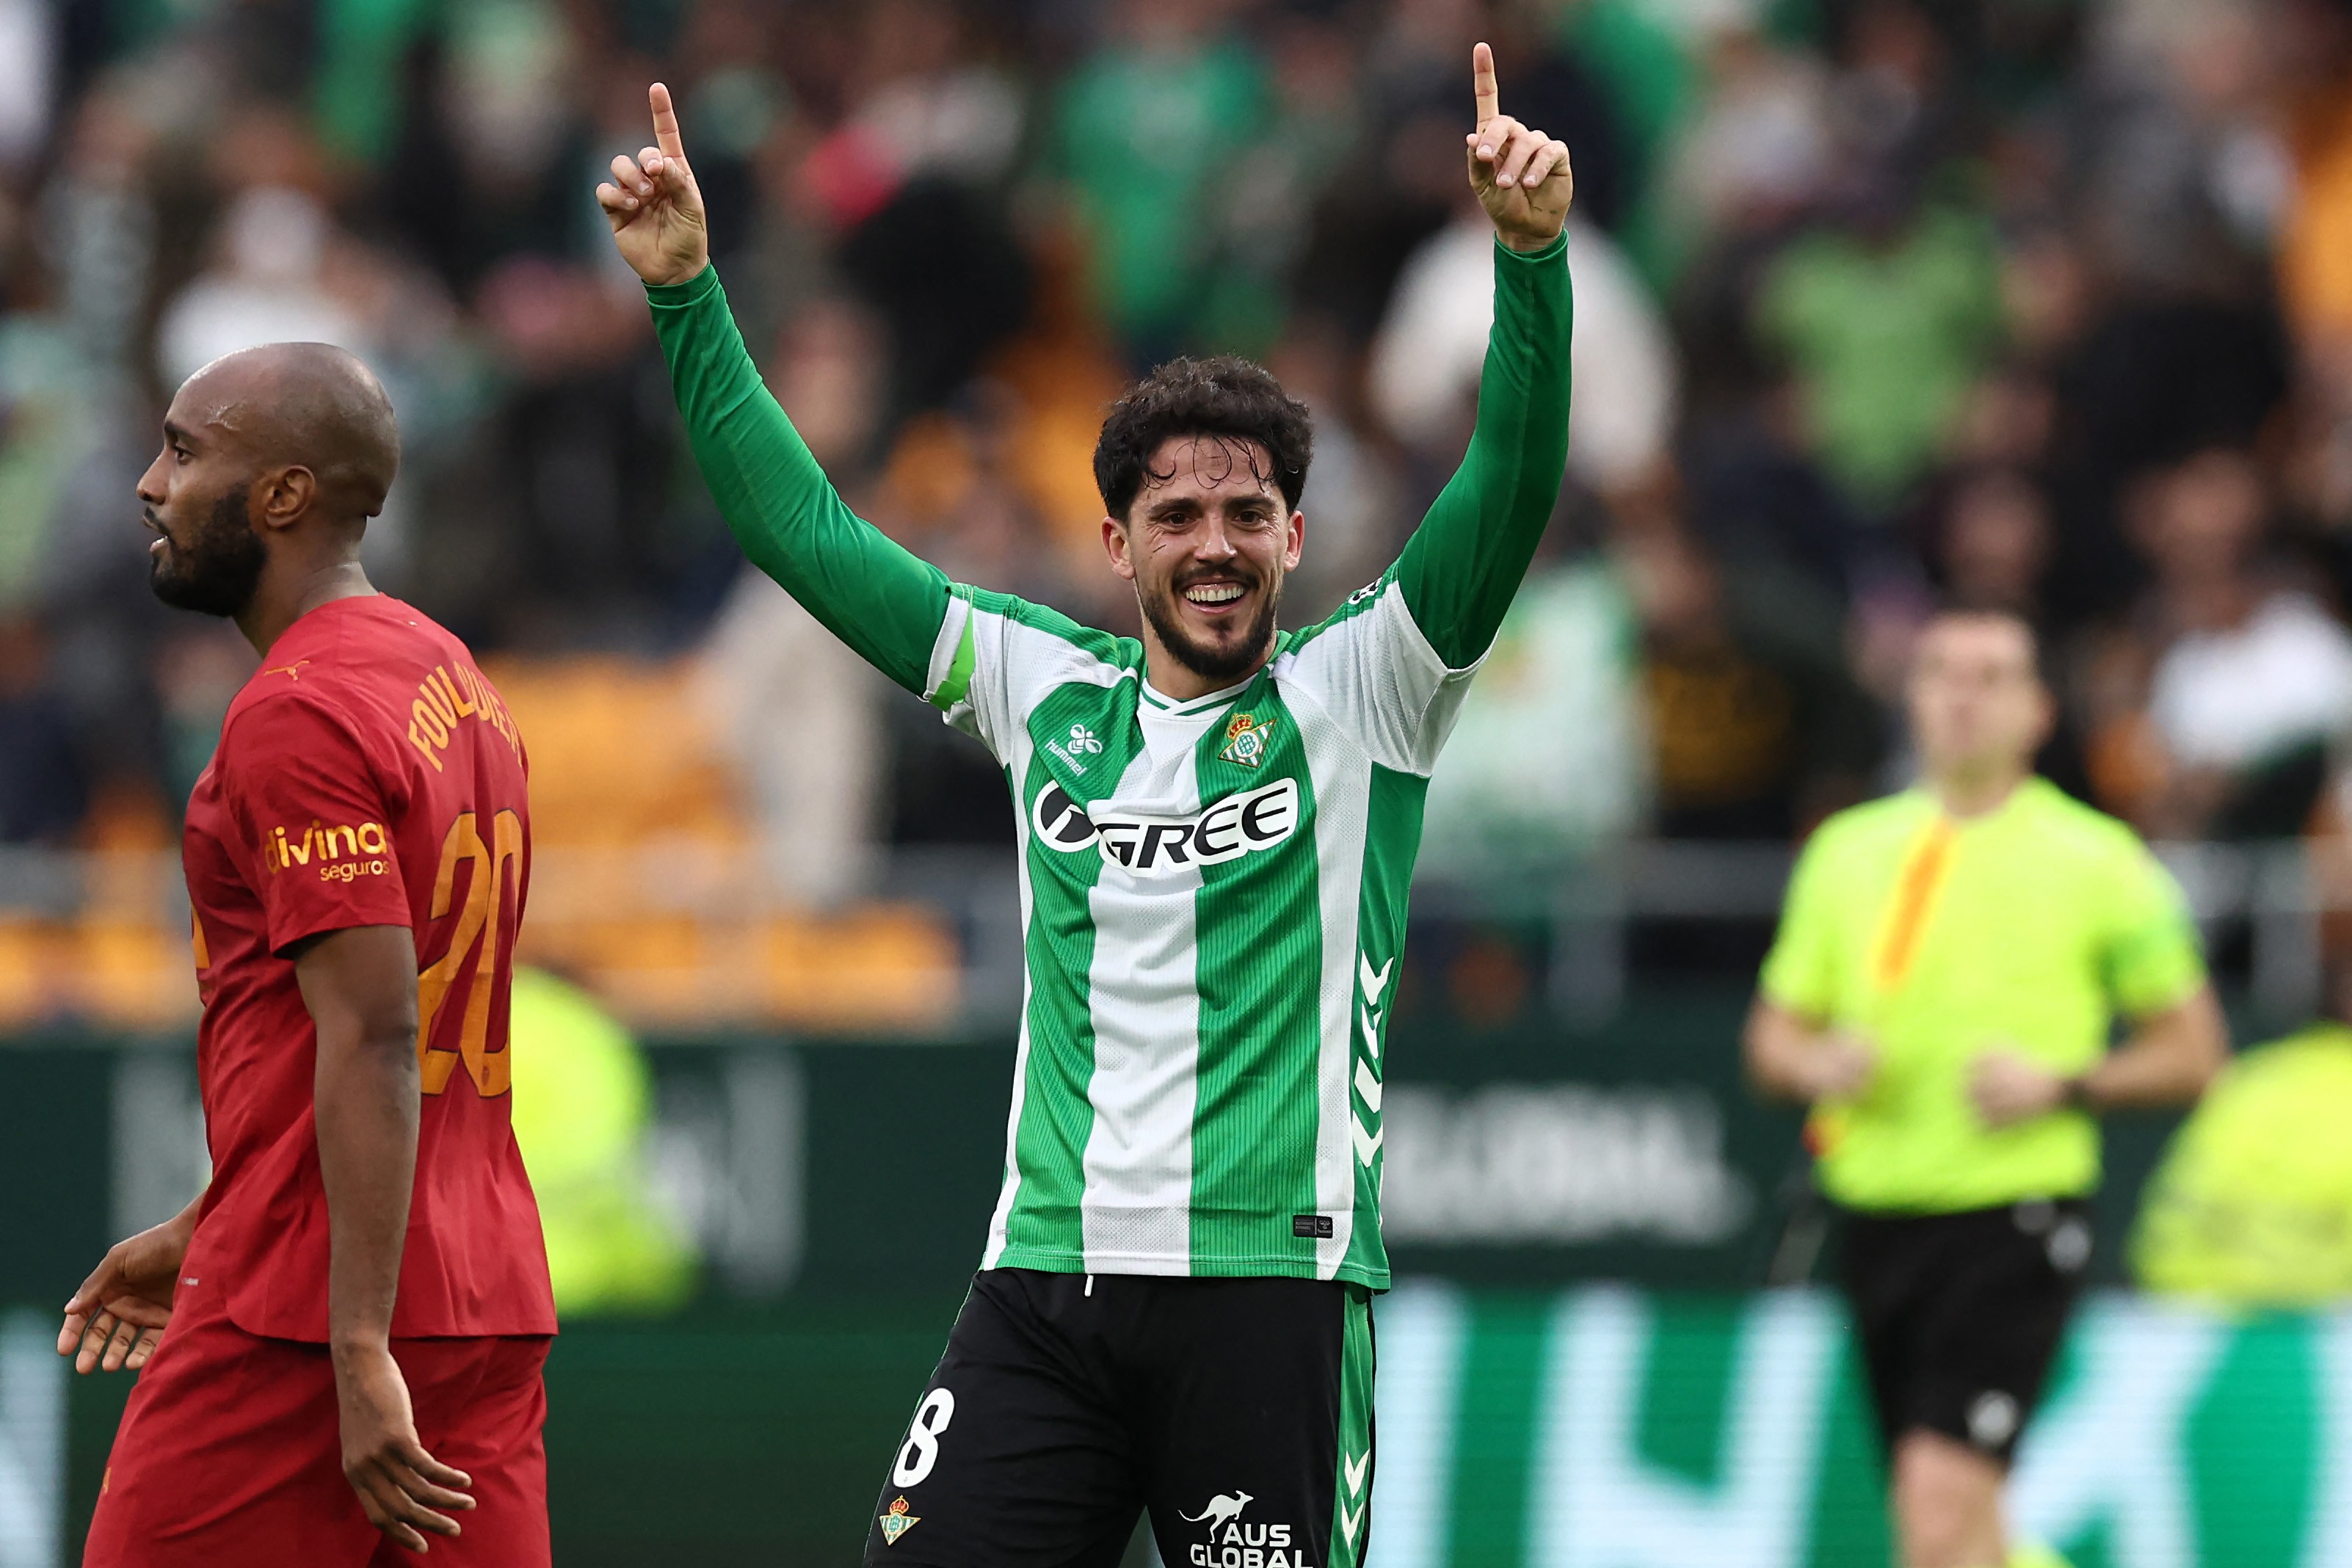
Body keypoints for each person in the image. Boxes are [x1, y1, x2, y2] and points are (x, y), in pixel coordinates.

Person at [598, 46, 1573, 1568]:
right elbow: (798, 530)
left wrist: (1530, 265)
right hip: (1042, 1288)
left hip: (1271, 1300)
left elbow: (1508, 482)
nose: (1215, 544)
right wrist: (686, 296)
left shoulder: (1369, 688)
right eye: (1177, 515)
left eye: (1249, 513)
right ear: (1116, 543)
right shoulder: (1037, 686)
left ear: (1297, 536)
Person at [57, 342, 554, 1565]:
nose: (148, 484)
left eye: (182, 450)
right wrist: (209, 1212)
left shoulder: (298, 711)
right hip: (480, 1300)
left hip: (310, 1314)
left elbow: (380, 1031)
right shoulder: (454, 677)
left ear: (282, 496)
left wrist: (355, 1346)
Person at [1746, 608, 2227, 1568]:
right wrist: (1814, 1064)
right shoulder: (1848, 851)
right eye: (1939, 673)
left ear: (2039, 709)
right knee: (1958, 1525)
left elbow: (2195, 1053)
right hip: (1877, 1210)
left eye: (1991, 677)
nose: (1963, 697)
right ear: (1910, 696)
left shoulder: (2102, 861)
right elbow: (1771, 1037)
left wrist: (2067, 1083)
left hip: (2013, 1214)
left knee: (1935, 1508)